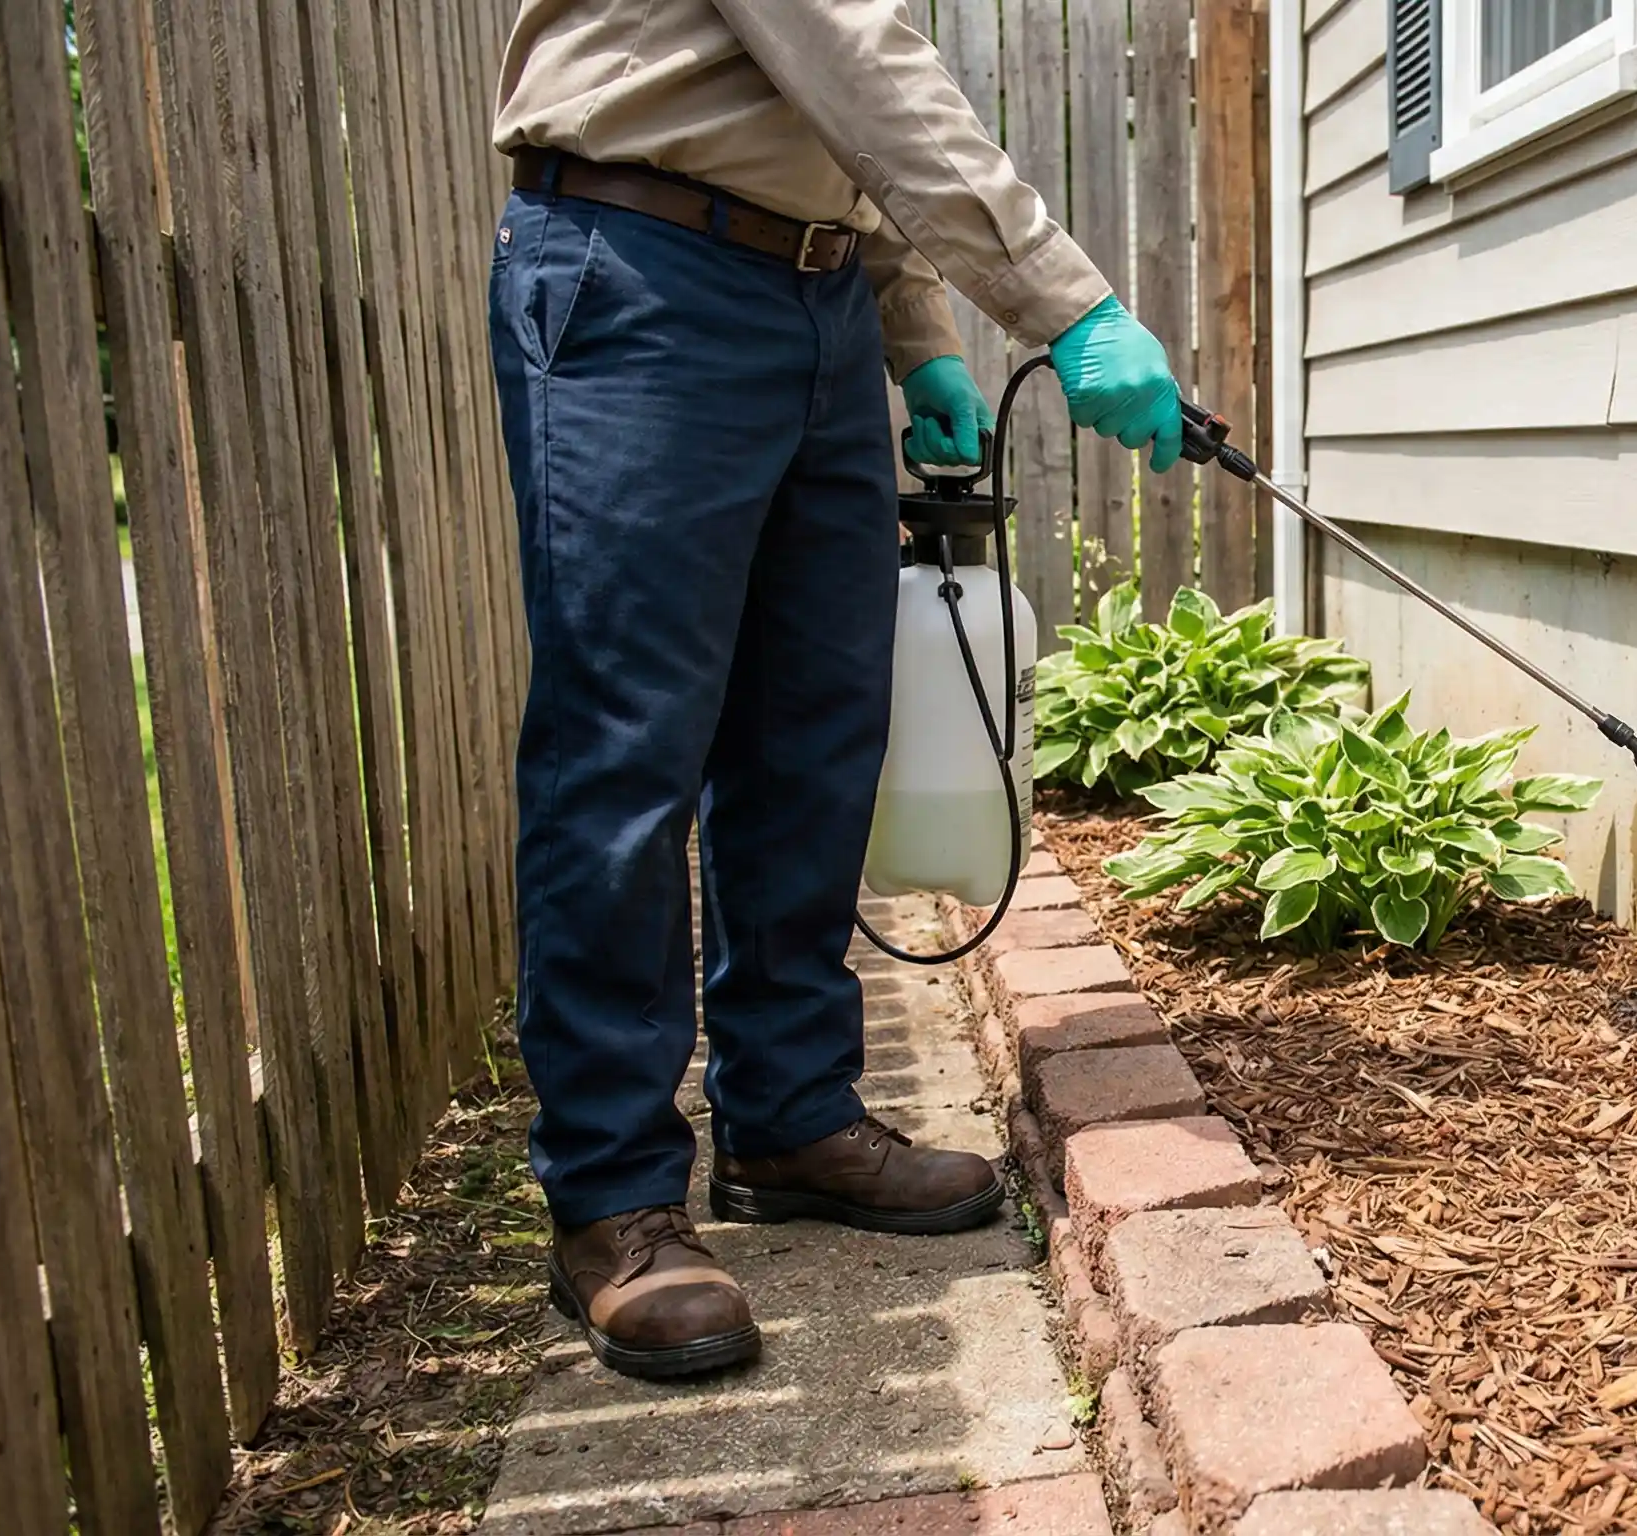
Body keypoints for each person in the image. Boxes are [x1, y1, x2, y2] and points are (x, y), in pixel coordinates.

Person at [487, 0, 1184, 1380]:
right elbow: (859, 65)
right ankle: (613, 1202)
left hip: (804, 297)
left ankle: (789, 1115)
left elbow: (819, 115)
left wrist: (908, 322)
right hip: (641, 274)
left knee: (810, 731)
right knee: (626, 747)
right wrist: (1076, 304)